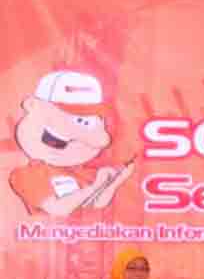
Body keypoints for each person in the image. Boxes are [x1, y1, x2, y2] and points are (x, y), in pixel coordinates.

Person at [9, 70, 135, 217]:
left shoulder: (80, 172)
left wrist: (116, 180)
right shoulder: (27, 174)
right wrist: (95, 186)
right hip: (46, 231)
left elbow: (97, 204)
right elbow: (58, 209)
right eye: (56, 139)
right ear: (32, 105)